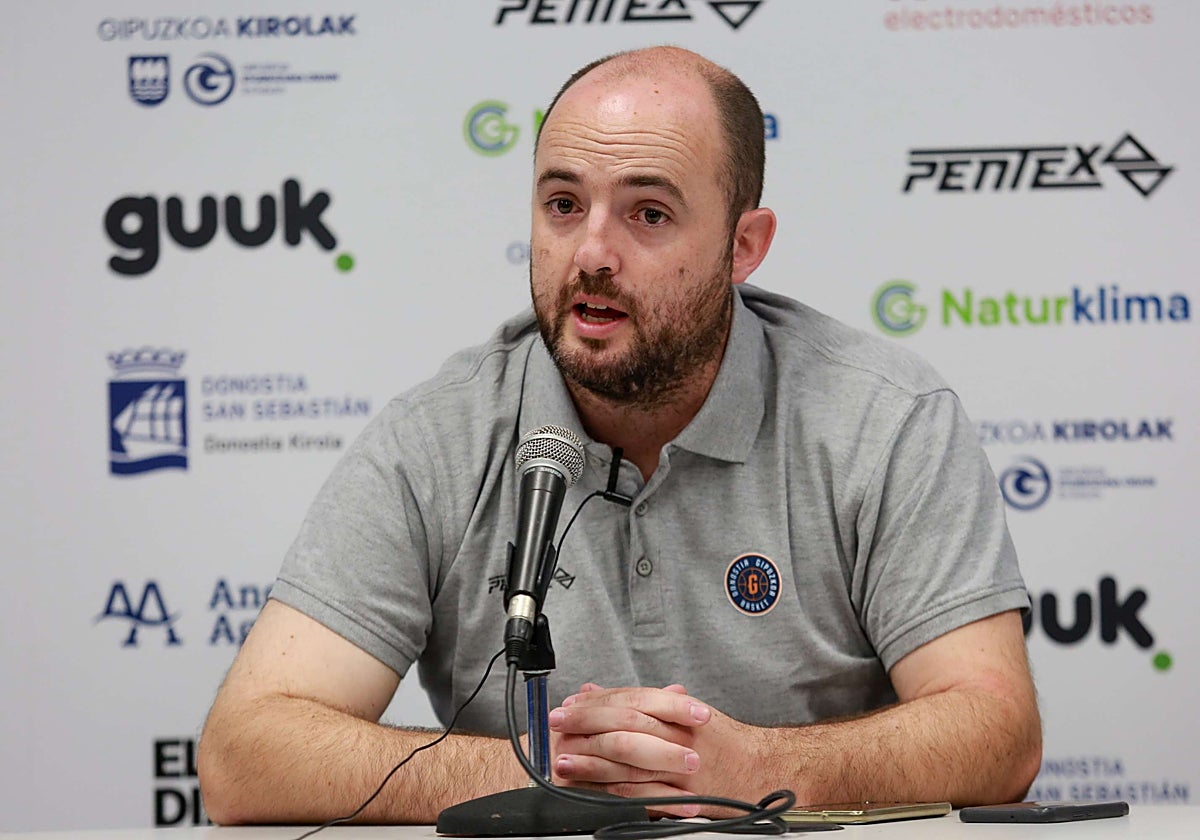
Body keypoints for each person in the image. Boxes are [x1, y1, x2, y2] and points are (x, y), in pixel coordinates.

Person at [197, 46, 1041, 825]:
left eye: (648, 213)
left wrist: (756, 767)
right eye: (563, 204)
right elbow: (244, 755)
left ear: (743, 246)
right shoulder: (440, 436)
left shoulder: (883, 419)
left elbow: (997, 733)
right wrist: (545, 775)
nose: (591, 253)